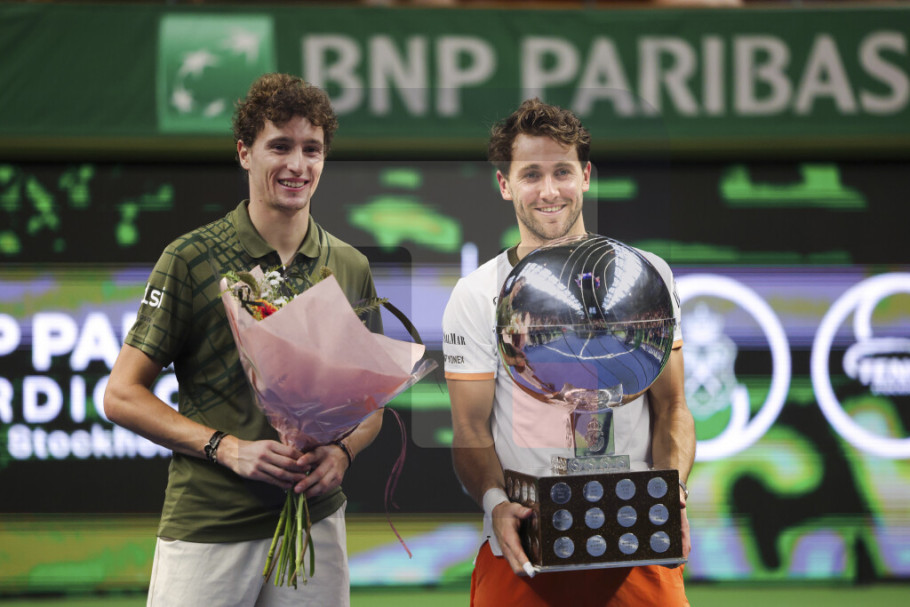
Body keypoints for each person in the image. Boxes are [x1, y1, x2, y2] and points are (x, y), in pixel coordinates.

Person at [104, 73, 382, 607]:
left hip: (314, 524)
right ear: (244, 153)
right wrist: (226, 448)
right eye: (280, 146)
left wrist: (343, 453)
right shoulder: (191, 258)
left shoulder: (349, 265)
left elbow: (370, 405)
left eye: (312, 149)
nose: (298, 165)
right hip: (211, 523)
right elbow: (121, 395)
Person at [442, 98, 695, 606]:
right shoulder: (476, 294)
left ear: (586, 176)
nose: (549, 190)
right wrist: (495, 503)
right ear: (505, 184)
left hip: (635, 541)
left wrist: (672, 494)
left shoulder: (645, 276)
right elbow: (470, 430)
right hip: (525, 543)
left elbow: (672, 407)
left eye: (562, 171)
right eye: (531, 174)